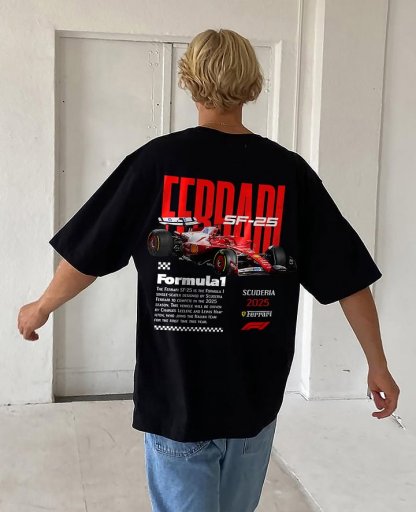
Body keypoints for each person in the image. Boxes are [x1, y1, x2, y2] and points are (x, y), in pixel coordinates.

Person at [17, 28, 399, 512]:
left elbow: (87, 254)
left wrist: (41, 307)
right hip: (254, 401)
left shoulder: (155, 163)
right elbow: (349, 277)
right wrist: (378, 364)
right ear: (252, 84)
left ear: (189, 80)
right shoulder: (289, 173)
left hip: (178, 398)